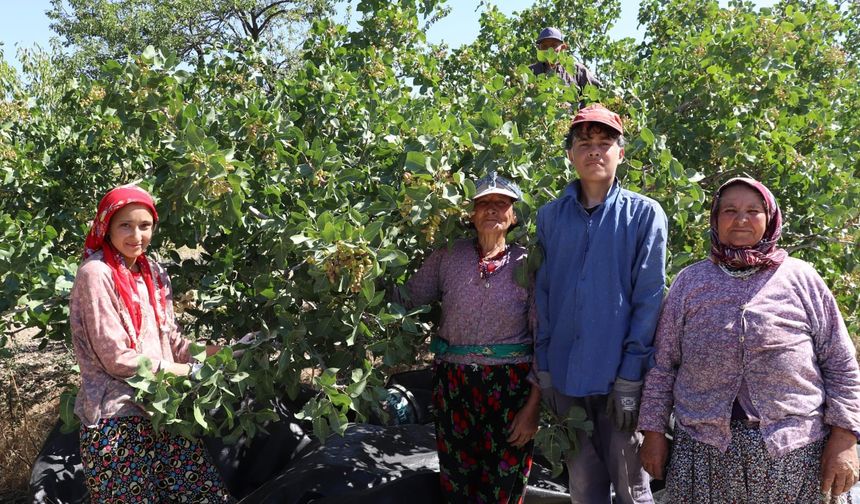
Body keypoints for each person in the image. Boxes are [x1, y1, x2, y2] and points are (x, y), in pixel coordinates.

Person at [638, 177, 860, 503]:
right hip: (704, 453)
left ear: (769, 218)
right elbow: (663, 365)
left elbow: (840, 363)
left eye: (753, 211)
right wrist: (653, 432)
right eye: (730, 210)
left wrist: (845, 439)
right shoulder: (690, 282)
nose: (741, 219)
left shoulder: (802, 280)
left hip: (796, 453)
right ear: (715, 220)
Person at [534, 104, 667, 503]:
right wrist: (544, 370)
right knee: (583, 487)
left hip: (617, 381)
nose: (595, 151)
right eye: (585, 143)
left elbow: (648, 299)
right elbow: (542, 295)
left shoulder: (645, 215)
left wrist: (631, 378)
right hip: (565, 379)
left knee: (631, 488)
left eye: (604, 143)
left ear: (620, 153)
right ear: (571, 154)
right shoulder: (549, 217)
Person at [70, 184, 236, 502]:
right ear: (106, 227)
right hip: (116, 421)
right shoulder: (96, 274)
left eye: (145, 226)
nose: (136, 235)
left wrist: (226, 352)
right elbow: (116, 358)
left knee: (205, 495)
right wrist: (188, 372)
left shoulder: (153, 273)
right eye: (125, 225)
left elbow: (172, 343)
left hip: (164, 413)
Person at [394, 172, 541, 503]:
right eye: (483, 203)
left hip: (511, 387)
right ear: (471, 214)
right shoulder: (449, 255)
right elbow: (408, 298)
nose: (491, 210)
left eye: (501, 203)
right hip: (454, 384)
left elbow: (543, 339)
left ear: (514, 215)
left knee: (503, 487)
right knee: (457, 482)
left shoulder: (528, 264)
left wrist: (533, 407)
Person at [529, 27, 601, 93]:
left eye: (553, 45)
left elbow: (598, 94)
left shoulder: (578, 70)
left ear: (563, 47)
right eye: (544, 46)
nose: (549, 50)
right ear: (539, 49)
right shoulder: (530, 71)